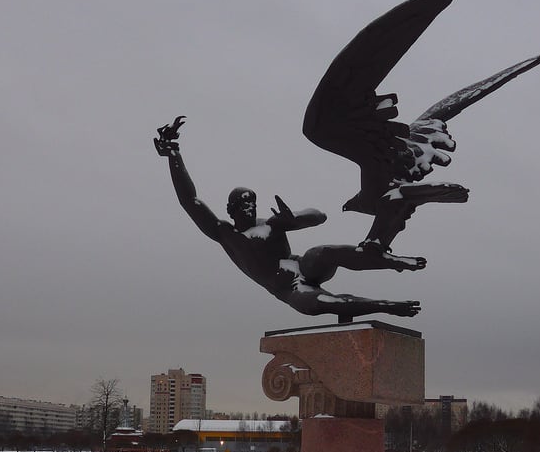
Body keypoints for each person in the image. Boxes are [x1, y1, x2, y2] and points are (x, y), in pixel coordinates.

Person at [154, 117, 423, 320]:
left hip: (302, 266)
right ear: (230, 209)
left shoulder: (270, 225)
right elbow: (190, 200)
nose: (249, 208)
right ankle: (388, 307)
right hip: (286, 289)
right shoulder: (225, 233)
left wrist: (294, 218)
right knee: (324, 304)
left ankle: (389, 260)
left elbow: (319, 216)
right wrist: (173, 154)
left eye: (252, 203)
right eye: (243, 204)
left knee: (325, 252)